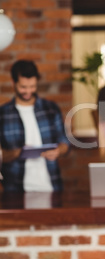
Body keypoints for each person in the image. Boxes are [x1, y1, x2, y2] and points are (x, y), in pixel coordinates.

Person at [0, 60, 70, 192]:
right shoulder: (2, 114)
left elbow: (65, 142)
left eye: (32, 86)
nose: (28, 91)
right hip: (14, 189)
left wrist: (58, 151)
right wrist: (17, 153)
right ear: (13, 83)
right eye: (23, 87)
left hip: (51, 186)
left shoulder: (50, 109)